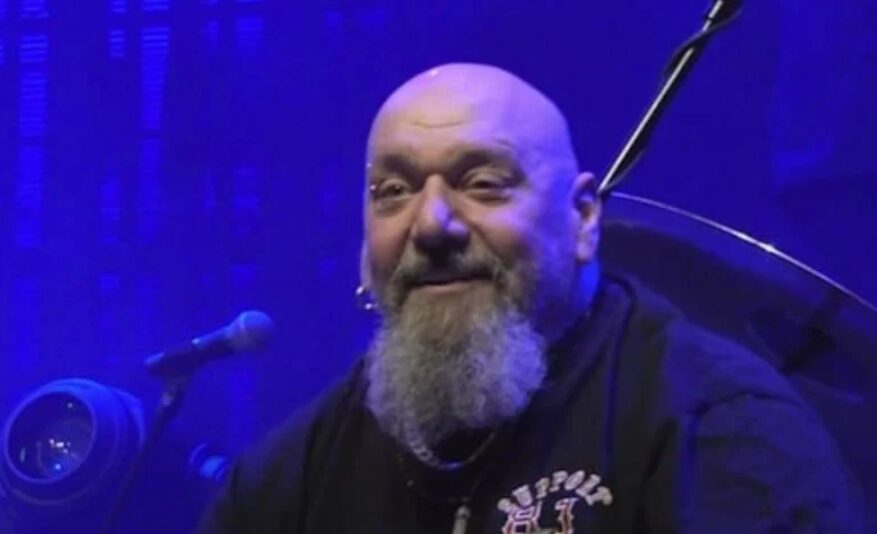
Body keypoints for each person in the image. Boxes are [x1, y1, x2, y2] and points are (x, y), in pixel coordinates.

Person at [197, 64, 860, 533]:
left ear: (583, 219)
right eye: (392, 192)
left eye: (482, 182)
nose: (431, 224)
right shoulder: (289, 478)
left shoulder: (720, 431)